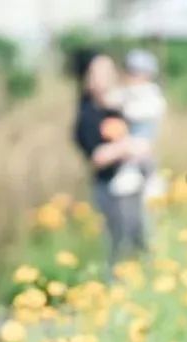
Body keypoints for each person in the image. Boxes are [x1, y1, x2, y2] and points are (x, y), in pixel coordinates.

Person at [71, 49, 149, 270]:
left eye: (109, 70)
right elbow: (96, 157)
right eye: (100, 71)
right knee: (118, 246)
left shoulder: (120, 107)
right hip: (109, 190)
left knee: (141, 241)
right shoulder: (87, 115)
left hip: (135, 184)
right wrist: (126, 147)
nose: (107, 76)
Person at [108, 49, 167, 198]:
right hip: (129, 139)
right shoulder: (125, 92)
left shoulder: (151, 93)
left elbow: (148, 111)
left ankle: (147, 180)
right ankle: (132, 176)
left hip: (142, 138)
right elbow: (113, 99)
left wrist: (126, 109)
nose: (132, 76)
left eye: (136, 72)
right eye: (130, 71)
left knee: (142, 157)